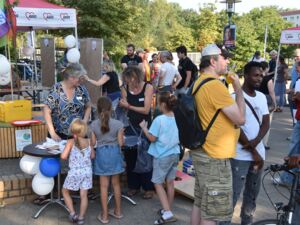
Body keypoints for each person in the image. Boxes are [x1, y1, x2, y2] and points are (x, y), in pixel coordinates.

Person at [191, 44, 246, 225]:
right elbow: (240, 118)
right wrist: (238, 87)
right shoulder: (215, 86)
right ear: (213, 61)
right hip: (215, 157)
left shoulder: (199, 82)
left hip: (203, 152)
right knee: (212, 213)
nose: (228, 61)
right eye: (225, 58)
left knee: (200, 203)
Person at [221, 61, 269, 225]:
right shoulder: (234, 97)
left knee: (251, 196)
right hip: (239, 155)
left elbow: (266, 123)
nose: (259, 78)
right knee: (232, 195)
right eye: (256, 75)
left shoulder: (262, 97)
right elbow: (236, 126)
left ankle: (246, 222)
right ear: (246, 76)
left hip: (258, 154)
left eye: (261, 75)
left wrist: (255, 144)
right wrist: (253, 150)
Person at [139, 91, 180, 225]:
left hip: (162, 156)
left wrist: (144, 128)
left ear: (162, 104)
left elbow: (152, 138)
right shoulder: (177, 117)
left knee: (157, 183)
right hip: (175, 154)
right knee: (170, 182)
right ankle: (167, 209)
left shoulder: (159, 120)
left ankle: (167, 214)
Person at [119, 66, 155, 199]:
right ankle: (133, 186)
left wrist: (129, 106)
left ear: (137, 77)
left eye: (131, 79)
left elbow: (146, 110)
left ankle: (148, 187)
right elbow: (124, 107)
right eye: (127, 80)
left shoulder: (148, 87)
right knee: (131, 157)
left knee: (146, 157)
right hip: (130, 127)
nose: (129, 82)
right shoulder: (124, 88)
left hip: (145, 127)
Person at [90, 97, 125, 224]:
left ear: (97, 110)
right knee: (116, 184)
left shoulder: (93, 125)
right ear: (111, 109)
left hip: (102, 155)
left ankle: (104, 216)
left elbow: (93, 143)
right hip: (115, 154)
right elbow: (121, 143)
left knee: (104, 186)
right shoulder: (119, 124)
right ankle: (118, 212)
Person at [44, 63, 91, 141]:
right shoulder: (57, 89)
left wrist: (84, 121)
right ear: (71, 77)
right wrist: (52, 133)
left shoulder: (82, 89)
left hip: (77, 135)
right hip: (58, 135)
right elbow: (46, 110)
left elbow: (88, 106)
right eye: (80, 78)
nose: (82, 80)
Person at [61, 118, 95, 225]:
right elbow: (93, 156)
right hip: (87, 172)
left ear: (72, 131)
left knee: (65, 191)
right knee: (83, 195)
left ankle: (72, 213)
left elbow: (63, 156)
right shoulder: (89, 142)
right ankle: (81, 218)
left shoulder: (70, 142)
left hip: (75, 172)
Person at [258, 61, 276, 149]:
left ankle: (257, 140)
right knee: (266, 122)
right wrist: (275, 103)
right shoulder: (268, 79)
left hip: (256, 100)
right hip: (267, 102)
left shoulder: (256, 78)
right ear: (267, 68)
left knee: (257, 122)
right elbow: (271, 92)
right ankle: (264, 143)